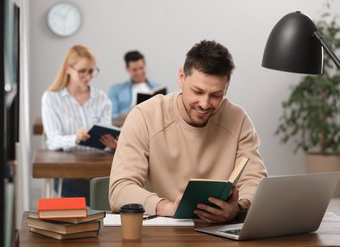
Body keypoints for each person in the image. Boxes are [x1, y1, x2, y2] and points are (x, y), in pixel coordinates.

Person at [109, 40, 268, 223]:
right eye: (197, 91)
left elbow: (255, 181)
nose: (204, 103)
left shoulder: (238, 120)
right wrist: (166, 207)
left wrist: (238, 207)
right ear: (181, 77)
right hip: (159, 232)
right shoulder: (144, 116)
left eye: (216, 95)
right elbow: (120, 190)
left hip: (217, 232)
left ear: (227, 88)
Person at [41, 44, 117, 200]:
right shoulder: (51, 98)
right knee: (103, 195)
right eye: (82, 71)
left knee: (114, 186)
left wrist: (112, 145)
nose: (87, 77)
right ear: (68, 69)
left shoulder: (101, 99)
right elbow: (53, 140)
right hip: (69, 172)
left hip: (99, 169)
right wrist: (74, 138)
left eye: (91, 71)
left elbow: (105, 131)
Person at [108, 50, 163, 127]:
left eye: (141, 68)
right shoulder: (116, 90)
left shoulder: (158, 88)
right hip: (128, 127)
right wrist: (132, 113)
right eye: (135, 70)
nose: (139, 72)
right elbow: (111, 117)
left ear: (145, 65)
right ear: (127, 69)